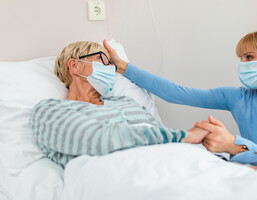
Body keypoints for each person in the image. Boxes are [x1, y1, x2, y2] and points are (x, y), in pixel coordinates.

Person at [106, 28, 257, 169]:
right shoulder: (238, 97)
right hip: (254, 176)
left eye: (249, 57)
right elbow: (177, 93)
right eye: (240, 58)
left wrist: (236, 146)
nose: (242, 64)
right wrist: (123, 67)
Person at [29, 41, 208, 168]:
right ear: (75, 66)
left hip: (172, 164)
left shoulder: (128, 103)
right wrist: (183, 136)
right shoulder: (50, 110)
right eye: (102, 60)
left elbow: (166, 143)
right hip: (122, 175)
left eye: (112, 65)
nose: (110, 69)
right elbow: (97, 139)